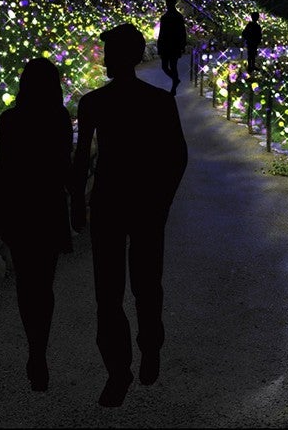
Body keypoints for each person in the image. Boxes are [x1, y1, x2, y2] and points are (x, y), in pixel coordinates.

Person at [71, 23, 188, 407]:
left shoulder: (94, 103)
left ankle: (123, 368)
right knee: (142, 286)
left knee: (116, 292)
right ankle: (138, 356)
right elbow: (177, 158)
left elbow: (79, 162)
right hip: (140, 206)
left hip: (113, 205)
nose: (104, 59)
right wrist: (163, 202)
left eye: (109, 52)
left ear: (125, 56)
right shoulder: (157, 101)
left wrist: (77, 204)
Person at [0, 57, 75, 392]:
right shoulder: (59, 118)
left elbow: (3, 171)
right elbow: (65, 166)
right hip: (48, 209)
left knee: (26, 284)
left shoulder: (10, 120)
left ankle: (34, 350)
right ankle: (40, 349)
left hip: (20, 211)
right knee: (45, 284)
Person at [156, 0, 187, 96]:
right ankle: (175, 81)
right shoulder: (169, 17)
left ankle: (174, 87)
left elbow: (182, 32)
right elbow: (182, 32)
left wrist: (182, 45)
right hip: (170, 45)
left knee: (171, 66)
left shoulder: (172, 17)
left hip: (171, 45)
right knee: (168, 67)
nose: (167, 5)